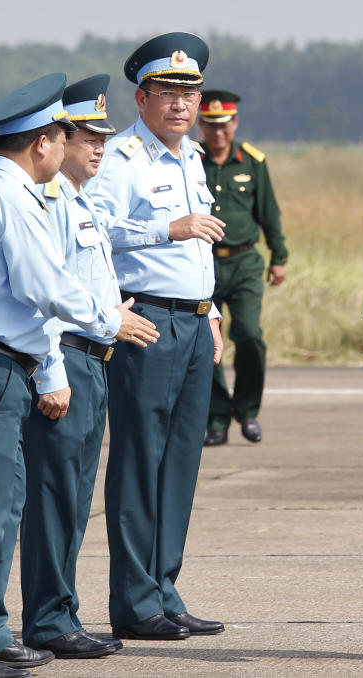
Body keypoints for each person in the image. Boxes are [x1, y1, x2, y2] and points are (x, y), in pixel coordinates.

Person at [0, 72, 156, 678]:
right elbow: (44, 287)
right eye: (62, 136)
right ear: (42, 143)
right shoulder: (14, 200)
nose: (68, 147)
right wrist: (109, 319)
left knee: (1, 508)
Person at [86, 31, 228, 641]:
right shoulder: (121, 158)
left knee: (182, 462)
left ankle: (165, 588)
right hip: (148, 321)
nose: (181, 104)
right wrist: (165, 229)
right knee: (142, 460)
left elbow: (202, 247)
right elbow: (94, 226)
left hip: (194, 321)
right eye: (167, 92)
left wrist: (213, 309)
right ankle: (135, 601)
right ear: (141, 98)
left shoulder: (192, 156)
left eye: (188, 92)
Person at [19, 74, 158, 660]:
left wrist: (110, 311)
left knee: (75, 497)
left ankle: (61, 612)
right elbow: (40, 297)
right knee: (55, 498)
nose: (99, 146)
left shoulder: (80, 201)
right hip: (68, 362)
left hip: (94, 359)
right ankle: (50, 620)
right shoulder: (50, 203)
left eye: (103, 136)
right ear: (57, 138)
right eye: (85, 136)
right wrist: (51, 372)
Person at [197, 89, 288, 446]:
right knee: (208, 342)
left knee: (249, 335)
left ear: (235, 124)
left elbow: (269, 212)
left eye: (223, 125)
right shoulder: (191, 160)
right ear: (200, 126)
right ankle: (217, 417)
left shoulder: (252, 161)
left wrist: (279, 256)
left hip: (246, 262)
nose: (217, 132)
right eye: (209, 125)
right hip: (203, 264)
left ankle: (248, 411)